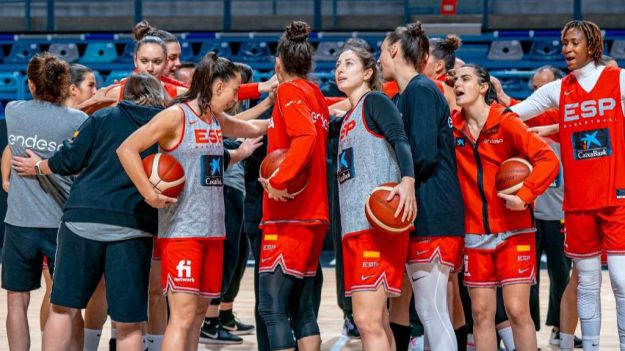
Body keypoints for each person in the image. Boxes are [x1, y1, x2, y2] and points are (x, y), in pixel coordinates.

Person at [117, 52, 269, 351]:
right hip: (183, 233)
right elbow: (127, 148)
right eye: (236, 91)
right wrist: (148, 192)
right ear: (218, 86)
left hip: (213, 232)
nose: (237, 97)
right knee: (183, 317)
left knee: (199, 315)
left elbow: (249, 128)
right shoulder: (176, 115)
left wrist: (289, 119)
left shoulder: (214, 119)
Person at [10, 73, 166, 351]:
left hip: (82, 218)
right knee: (129, 323)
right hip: (131, 225)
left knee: (63, 308)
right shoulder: (167, 127)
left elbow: (68, 160)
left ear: (123, 94)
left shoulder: (103, 118)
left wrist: (39, 167)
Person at [509, 19, 625, 350]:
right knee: (586, 281)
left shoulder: (618, 81)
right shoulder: (559, 89)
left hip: (617, 196)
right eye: (564, 44)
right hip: (577, 200)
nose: (567, 49)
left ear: (592, 44)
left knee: (620, 280)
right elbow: (515, 114)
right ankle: (589, 346)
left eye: (574, 42)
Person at [452, 64, 559, 351]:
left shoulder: (506, 121)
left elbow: (549, 159)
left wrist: (525, 194)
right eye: (456, 81)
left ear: (484, 87)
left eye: (465, 79)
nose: (458, 85)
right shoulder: (453, 127)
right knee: (481, 314)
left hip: (515, 231)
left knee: (516, 311)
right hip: (474, 233)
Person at [377, 22, 466, 351]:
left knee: (431, 310)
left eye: (381, 51)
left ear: (395, 50)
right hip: (430, 208)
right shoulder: (408, 93)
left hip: (433, 208)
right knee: (433, 309)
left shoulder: (420, 90)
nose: (379, 59)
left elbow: (424, 153)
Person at [1, 52, 88, 351]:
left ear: (31, 84)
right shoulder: (79, 120)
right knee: (64, 304)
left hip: (19, 224)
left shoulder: (13, 111)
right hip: (61, 223)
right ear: (65, 84)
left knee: (16, 301)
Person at [334, 43, 416, 350]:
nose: (340, 68)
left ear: (369, 72)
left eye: (350, 63)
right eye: (338, 64)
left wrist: (407, 180)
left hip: (377, 227)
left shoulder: (376, 101)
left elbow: (400, 139)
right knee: (376, 321)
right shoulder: (346, 118)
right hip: (354, 229)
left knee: (367, 321)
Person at [256, 21, 329, 351]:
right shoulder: (315, 94)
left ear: (278, 64)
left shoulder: (289, 92)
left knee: (271, 309)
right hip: (314, 213)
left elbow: (306, 136)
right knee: (302, 310)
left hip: (291, 213)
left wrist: (277, 179)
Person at [200, 62, 258, 345]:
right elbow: (241, 128)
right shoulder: (210, 114)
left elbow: (244, 124)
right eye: (238, 89)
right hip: (221, 189)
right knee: (224, 256)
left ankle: (223, 314)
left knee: (235, 256)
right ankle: (210, 321)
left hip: (236, 189)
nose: (239, 96)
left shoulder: (227, 113)